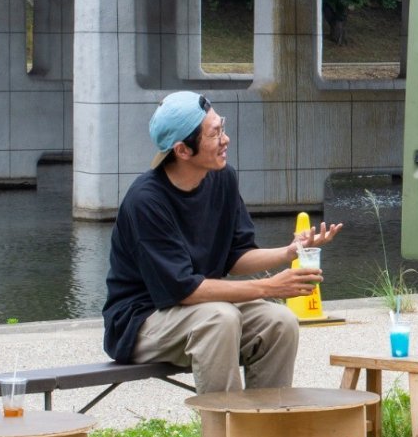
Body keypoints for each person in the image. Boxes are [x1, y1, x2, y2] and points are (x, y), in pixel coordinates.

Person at [102, 92, 337, 394]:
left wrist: (290, 251)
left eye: (222, 127)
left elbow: (236, 255)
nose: (225, 139)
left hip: (200, 308)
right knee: (220, 319)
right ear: (183, 150)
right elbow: (183, 290)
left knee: (279, 321)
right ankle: (225, 433)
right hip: (140, 323)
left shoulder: (223, 179)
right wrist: (269, 287)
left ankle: (266, 431)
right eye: (215, 133)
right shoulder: (146, 201)